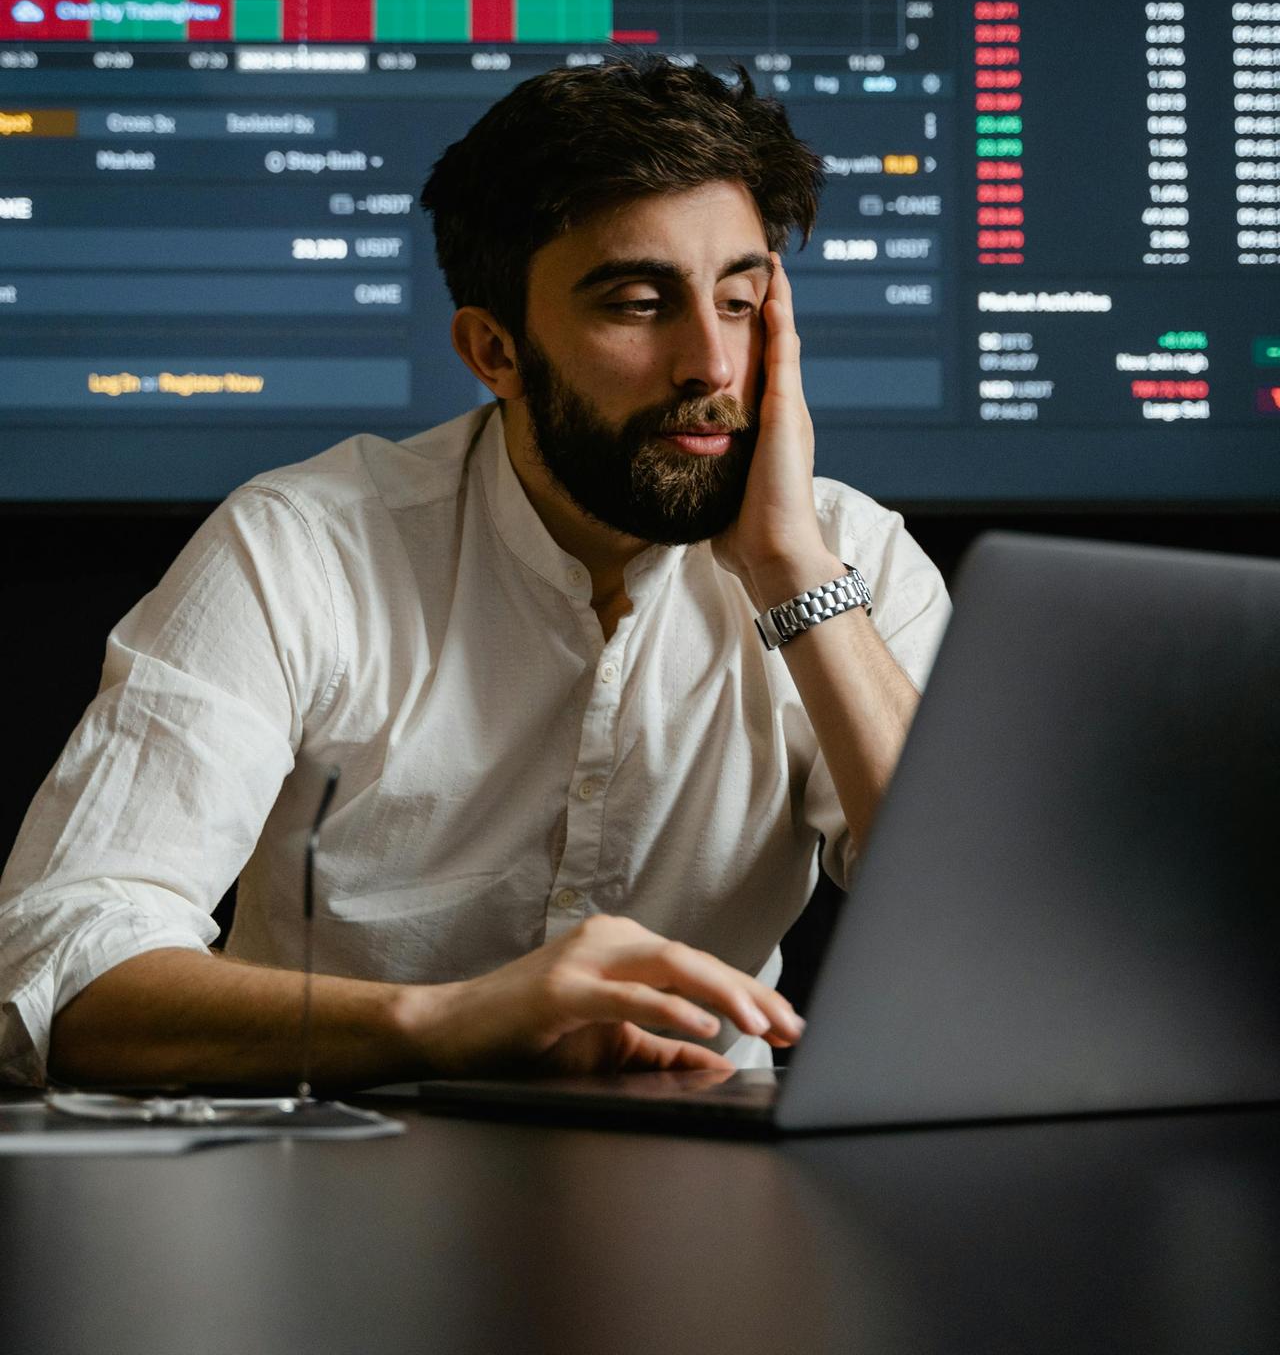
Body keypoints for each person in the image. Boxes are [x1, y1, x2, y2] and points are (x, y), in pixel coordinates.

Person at [0, 57, 950, 1091]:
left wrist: (791, 574)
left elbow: (993, 931)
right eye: (639, 304)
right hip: (326, 1189)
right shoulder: (300, 547)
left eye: (738, 303)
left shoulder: (851, 565)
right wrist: (449, 1023)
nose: (711, 368)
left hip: (711, 1193)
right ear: (494, 350)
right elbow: (56, 972)